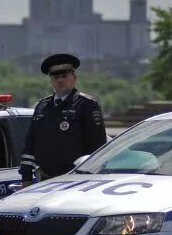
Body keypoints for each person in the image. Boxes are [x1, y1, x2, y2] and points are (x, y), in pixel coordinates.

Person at [19, 53, 108, 185]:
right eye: (56, 77)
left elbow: (97, 147)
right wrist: (26, 178)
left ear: (74, 78)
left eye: (64, 76)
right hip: (44, 181)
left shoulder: (86, 105)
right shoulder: (42, 106)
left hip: (75, 182)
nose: (60, 80)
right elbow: (29, 146)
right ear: (51, 81)